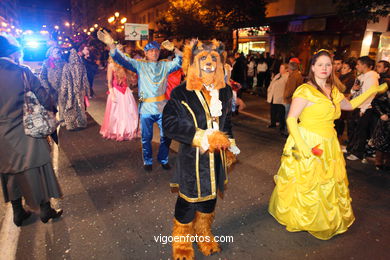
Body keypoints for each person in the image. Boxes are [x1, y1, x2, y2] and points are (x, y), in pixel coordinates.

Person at [268, 49, 387, 240]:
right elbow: (291, 119)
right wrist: (302, 146)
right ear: (313, 68)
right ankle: (303, 217)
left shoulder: (332, 90)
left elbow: (350, 105)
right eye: (320, 64)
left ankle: (323, 218)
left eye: (328, 65)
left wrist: (372, 90)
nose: (324, 68)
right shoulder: (305, 90)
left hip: (329, 142)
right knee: (307, 182)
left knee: (327, 183)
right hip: (308, 141)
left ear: (332, 68)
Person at [162, 39, 239, 260]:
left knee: (209, 200)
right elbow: (169, 123)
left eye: (213, 58)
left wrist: (230, 144)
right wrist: (202, 136)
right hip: (192, 159)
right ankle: (182, 243)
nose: (209, 62)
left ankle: (204, 233)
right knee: (188, 201)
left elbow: (226, 123)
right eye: (203, 58)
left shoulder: (224, 92)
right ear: (193, 62)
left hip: (216, 159)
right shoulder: (180, 93)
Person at [97, 30, 182, 172]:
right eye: (151, 51)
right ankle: (147, 161)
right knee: (146, 138)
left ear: (159, 53)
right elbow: (121, 59)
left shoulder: (165, 65)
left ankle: (163, 159)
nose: (154, 53)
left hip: (162, 108)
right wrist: (111, 45)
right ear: (146, 54)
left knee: (166, 136)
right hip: (146, 109)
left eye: (156, 51)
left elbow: (181, 62)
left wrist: (174, 49)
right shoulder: (140, 65)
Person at [0, 35, 63, 226]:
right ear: (13, 52)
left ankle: (18, 213)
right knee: (38, 170)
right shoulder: (22, 72)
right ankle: (45, 210)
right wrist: (52, 114)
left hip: (2, 135)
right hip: (26, 131)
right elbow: (44, 98)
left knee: (9, 173)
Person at [347, 56, 380, 161]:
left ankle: (358, 153)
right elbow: (356, 92)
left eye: (358, 64)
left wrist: (363, 109)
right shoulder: (362, 76)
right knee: (354, 128)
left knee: (361, 131)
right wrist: (353, 90)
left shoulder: (372, 77)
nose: (356, 67)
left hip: (365, 108)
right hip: (357, 105)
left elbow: (370, 95)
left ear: (364, 65)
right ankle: (352, 149)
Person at [99, 57, 139, 141]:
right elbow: (109, 81)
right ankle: (117, 131)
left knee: (129, 111)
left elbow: (131, 79)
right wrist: (111, 92)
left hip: (126, 91)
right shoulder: (111, 65)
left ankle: (128, 130)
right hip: (116, 92)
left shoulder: (125, 65)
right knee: (116, 113)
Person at [59, 49, 90, 131]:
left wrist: (63, 91)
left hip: (70, 91)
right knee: (80, 106)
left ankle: (70, 124)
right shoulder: (81, 66)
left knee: (70, 106)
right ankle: (81, 123)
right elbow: (85, 79)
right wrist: (87, 91)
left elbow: (64, 80)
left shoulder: (67, 66)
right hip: (80, 90)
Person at [39, 46, 66, 144]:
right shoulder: (46, 63)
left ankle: (63, 121)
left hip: (62, 88)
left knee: (63, 105)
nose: (57, 53)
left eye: (58, 52)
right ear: (50, 53)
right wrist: (47, 87)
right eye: (55, 52)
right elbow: (42, 76)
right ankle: (52, 123)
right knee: (52, 107)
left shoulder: (63, 62)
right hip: (51, 89)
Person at [370, 60, 390, 171]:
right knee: (381, 141)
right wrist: (382, 114)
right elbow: (375, 102)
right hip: (384, 119)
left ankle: (387, 163)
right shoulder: (384, 86)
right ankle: (379, 162)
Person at [267, 63, 289, 133]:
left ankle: (281, 126)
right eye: (280, 68)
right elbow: (272, 83)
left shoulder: (287, 77)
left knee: (281, 112)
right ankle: (273, 123)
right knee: (273, 110)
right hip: (273, 95)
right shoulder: (278, 75)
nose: (280, 69)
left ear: (286, 69)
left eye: (282, 68)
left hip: (280, 97)